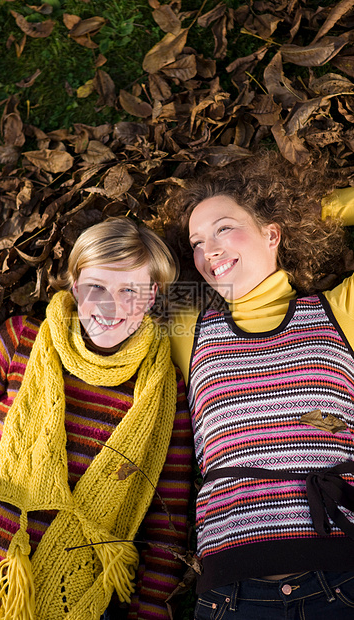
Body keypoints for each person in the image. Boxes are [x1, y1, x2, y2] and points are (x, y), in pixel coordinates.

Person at [0, 217, 192, 620]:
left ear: (152, 297)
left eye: (129, 289)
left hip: (81, 596)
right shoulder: (21, 340)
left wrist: (150, 610)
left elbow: (168, 515)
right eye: (97, 287)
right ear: (74, 286)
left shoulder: (163, 390)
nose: (110, 306)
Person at [164, 150, 354, 619]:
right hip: (234, 591)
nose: (209, 250)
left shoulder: (339, 311)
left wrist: (316, 210)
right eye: (196, 242)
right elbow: (106, 284)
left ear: (272, 232)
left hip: (344, 571)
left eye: (225, 228)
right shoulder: (189, 324)